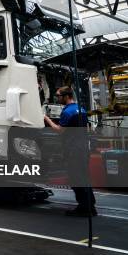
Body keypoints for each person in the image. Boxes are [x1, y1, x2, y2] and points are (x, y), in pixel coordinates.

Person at [44, 86, 96, 217]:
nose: (57, 98)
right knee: (84, 177)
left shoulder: (67, 112)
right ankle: (90, 206)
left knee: (76, 178)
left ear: (66, 96)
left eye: (59, 96)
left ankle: (84, 208)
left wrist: (46, 119)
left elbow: (59, 130)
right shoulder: (81, 109)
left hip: (73, 150)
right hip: (83, 148)